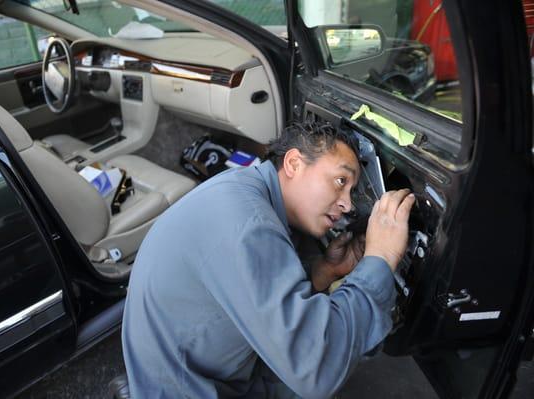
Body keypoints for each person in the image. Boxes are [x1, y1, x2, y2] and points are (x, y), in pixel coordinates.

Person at [121, 121, 415, 398]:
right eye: (340, 181)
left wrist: (324, 271)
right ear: (293, 164)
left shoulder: (243, 189)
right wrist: (381, 257)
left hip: (190, 371)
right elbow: (316, 367)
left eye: (351, 191)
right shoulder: (249, 225)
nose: (348, 204)